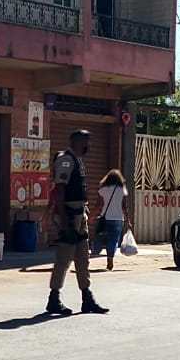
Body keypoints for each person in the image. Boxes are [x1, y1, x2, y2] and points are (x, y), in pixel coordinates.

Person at [45, 129, 108, 316]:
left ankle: (87, 298)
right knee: (64, 258)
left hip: (80, 215)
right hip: (70, 216)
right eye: (86, 142)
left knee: (83, 257)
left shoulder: (77, 160)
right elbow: (59, 189)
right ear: (78, 141)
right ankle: (54, 298)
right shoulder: (66, 159)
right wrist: (63, 218)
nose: (89, 146)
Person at [94, 169, 133, 271]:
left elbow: (99, 204)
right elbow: (124, 207)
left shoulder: (103, 189)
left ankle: (104, 253)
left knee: (104, 238)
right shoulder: (122, 189)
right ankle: (110, 258)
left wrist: (91, 216)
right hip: (118, 218)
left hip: (105, 217)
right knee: (113, 240)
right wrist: (128, 221)